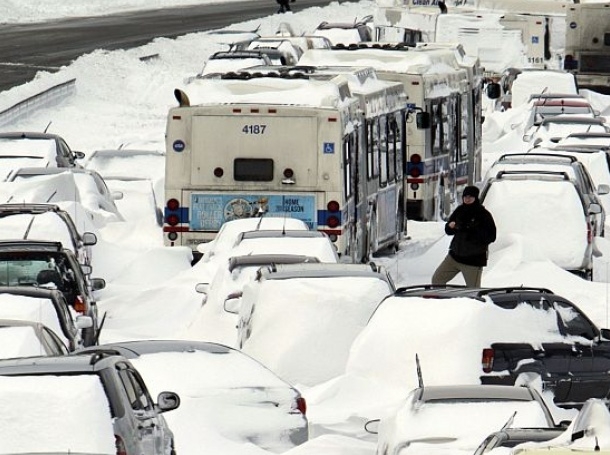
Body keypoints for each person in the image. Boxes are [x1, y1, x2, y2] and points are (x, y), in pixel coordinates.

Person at [431, 185, 496, 287]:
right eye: (465, 197)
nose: (467, 199)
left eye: (470, 197)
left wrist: (471, 229)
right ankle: (441, 302)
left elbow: (492, 236)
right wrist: (451, 227)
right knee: (437, 280)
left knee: (473, 292)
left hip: (473, 261)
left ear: (475, 198)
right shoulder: (460, 210)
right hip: (454, 257)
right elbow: (448, 230)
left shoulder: (483, 214)